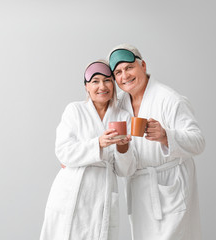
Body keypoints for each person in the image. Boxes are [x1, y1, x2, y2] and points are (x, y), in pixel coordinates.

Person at [108, 44, 205, 240]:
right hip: (139, 190)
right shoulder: (119, 104)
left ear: (142, 65)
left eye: (129, 68)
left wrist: (165, 136)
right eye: (118, 72)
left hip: (170, 187)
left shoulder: (169, 99)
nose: (124, 76)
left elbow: (198, 141)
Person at [40, 60, 136, 240]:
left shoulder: (123, 117)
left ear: (113, 85)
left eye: (107, 80)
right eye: (95, 81)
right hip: (73, 189)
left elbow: (125, 170)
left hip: (103, 192)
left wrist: (123, 148)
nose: (102, 86)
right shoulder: (74, 110)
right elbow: (63, 151)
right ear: (86, 87)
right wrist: (98, 143)